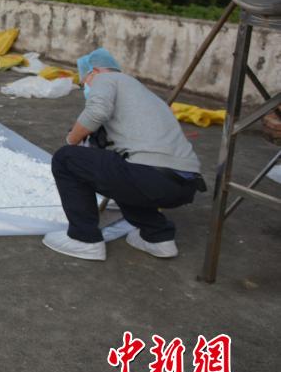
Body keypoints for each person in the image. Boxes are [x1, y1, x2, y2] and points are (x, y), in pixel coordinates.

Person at [43, 48, 206, 261]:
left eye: (84, 83)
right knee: (120, 171)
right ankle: (157, 237)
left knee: (66, 158)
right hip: (184, 184)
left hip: (150, 176)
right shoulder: (144, 94)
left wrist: (71, 139)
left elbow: (96, 112)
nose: (86, 88)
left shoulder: (106, 79)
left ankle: (84, 239)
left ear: (94, 71)